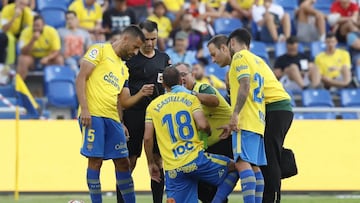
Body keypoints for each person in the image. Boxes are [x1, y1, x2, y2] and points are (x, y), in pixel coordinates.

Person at [208, 32, 294, 203]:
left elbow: (246, 85)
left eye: (213, 54)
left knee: (248, 162)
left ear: (228, 45)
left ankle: (271, 199)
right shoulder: (256, 59)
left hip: (269, 109)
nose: (213, 59)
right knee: (257, 164)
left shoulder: (240, 58)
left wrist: (234, 116)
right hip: (262, 115)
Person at [76, 25, 154, 203]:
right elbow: (81, 77)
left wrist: (121, 122)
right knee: (96, 161)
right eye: (135, 47)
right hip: (93, 115)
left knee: (123, 162)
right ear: (125, 39)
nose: (135, 53)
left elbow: (123, 101)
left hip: (113, 119)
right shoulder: (100, 50)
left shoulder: (123, 69)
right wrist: (85, 109)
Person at [144, 66, 238, 203]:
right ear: (180, 80)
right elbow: (203, 125)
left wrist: (151, 163)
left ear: (163, 84)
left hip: (173, 168)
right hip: (196, 160)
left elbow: (147, 138)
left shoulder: (153, 106)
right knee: (237, 167)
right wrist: (208, 131)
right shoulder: (190, 98)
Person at [116, 20, 171, 203]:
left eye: (153, 39)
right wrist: (121, 121)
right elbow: (120, 95)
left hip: (157, 116)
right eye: (146, 39)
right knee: (129, 162)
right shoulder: (130, 59)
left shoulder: (163, 58)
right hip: (134, 114)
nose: (149, 43)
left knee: (157, 161)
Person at [173, 62, 233, 203]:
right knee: (202, 184)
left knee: (205, 181)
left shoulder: (202, 87)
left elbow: (215, 101)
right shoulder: (181, 99)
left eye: (184, 74)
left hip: (225, 140)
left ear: (192, 75)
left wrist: (191, 94)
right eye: (178, 76)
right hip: (209, 146)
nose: (181, 79)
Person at [17, 15, 64, 80]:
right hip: (32, 58)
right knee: (22, 59)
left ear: (43, 25)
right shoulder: (25, 32)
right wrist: (33, 40)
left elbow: (56, 51)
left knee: (59, 59)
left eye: (38, 26)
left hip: (47, 59)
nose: (36, 28)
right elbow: (23, 52)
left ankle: (58, 83)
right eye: (34, 26)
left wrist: (47, 58)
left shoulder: (52, 31)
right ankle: (19, 85)